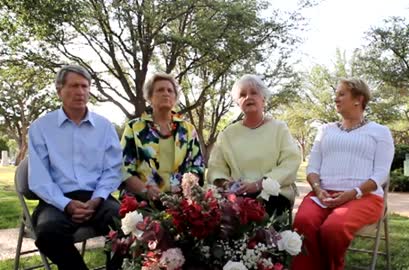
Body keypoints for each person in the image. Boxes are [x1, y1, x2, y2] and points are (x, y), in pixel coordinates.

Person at [291, 78, 394, 270]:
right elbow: (312, 168)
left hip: (364, 197)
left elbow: (381, 174)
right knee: (303, 222)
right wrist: (318, 190)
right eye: (336, 94)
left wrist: (353, 192)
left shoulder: (380, 132)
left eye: (341, 94)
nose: (335, 98)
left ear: (358, 99)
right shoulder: (325, 130)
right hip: (322, 194)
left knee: (334, 228)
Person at [28, 65, 122, 270]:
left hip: (97, 198)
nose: (80, 92)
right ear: (59, 90)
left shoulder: (105, 127)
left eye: (84, 86)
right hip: (56, 200)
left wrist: (96, 200)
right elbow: (39, 178)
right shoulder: (41, 127)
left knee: (130, 224)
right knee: (48, 234)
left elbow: (113, 170)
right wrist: (67, 204)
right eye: (73, 86)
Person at [207, 74, 301, 216]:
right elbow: (216, 167)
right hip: (237, 195)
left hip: (274, 194)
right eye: (242, 95)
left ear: (263, 99)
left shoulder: (279, 129)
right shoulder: (227, 134)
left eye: (254, 93)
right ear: (238, 103)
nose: (248, 97)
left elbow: (290, 162)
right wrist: (227, 184)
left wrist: (259, 184)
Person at [120, 73, 204, 201]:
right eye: (160, 90)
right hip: (143, 203)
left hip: (182, 203)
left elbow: (197, 166)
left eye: (170, 90)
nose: (166, 93)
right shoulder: (134, 128)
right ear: (150, 97)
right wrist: (145, 190)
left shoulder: (188, 130)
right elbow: (124, 169)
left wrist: (189, 186)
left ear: (175, 97)